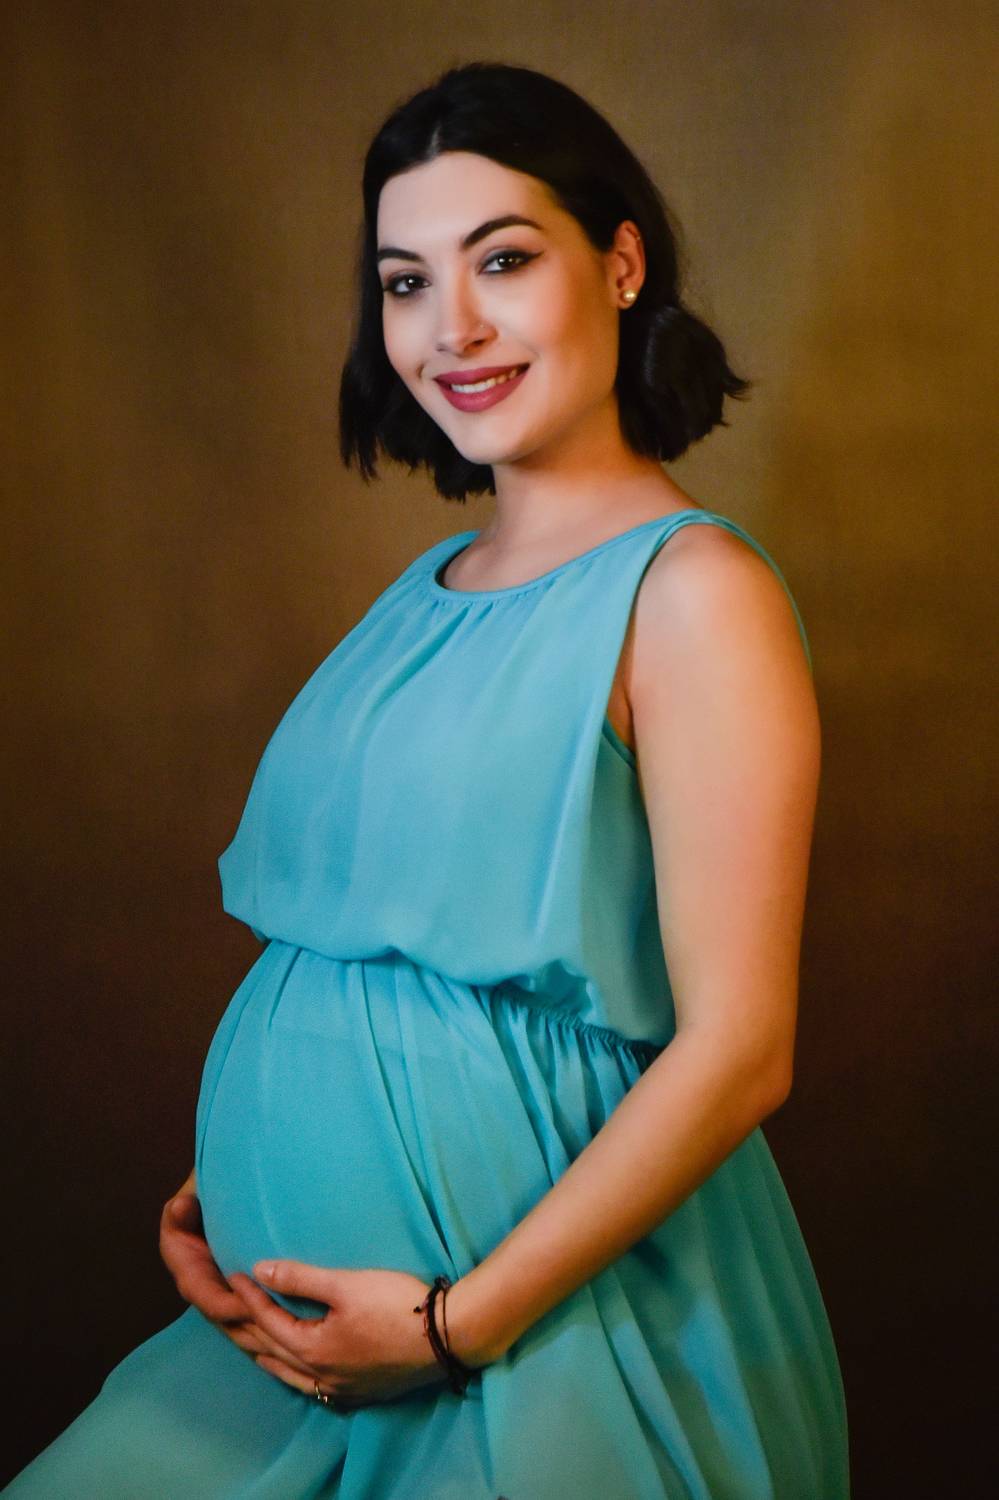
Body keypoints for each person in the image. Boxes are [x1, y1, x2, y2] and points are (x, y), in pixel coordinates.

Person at [5, 60, 850, 1499]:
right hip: (289, 1342)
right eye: (405, 282)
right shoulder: (426, 588)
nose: (449, 326)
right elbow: (375, 961)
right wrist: (238, 1181)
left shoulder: (695, 593)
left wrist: (456, 1327)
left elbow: (740, 1048)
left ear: (622, 262)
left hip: (541, 1343)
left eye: (502, 261)